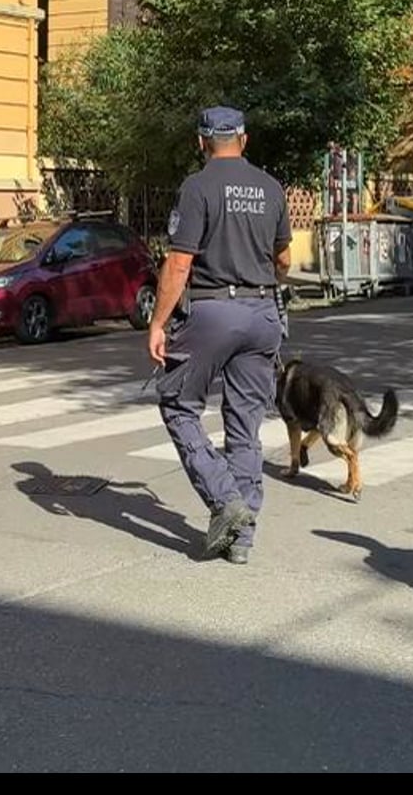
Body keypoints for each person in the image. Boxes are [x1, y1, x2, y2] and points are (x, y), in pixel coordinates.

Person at [147, 106, 291, 564]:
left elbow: (180, 262)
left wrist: (157, 323)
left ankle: (224, 500)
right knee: (245, 427)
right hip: (264, 311)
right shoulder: (271, 188)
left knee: (176, 403)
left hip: (213, 310)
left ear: (201, 142)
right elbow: (284, 259)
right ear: (244, 140)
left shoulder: (198, 187)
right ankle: (241, 540)